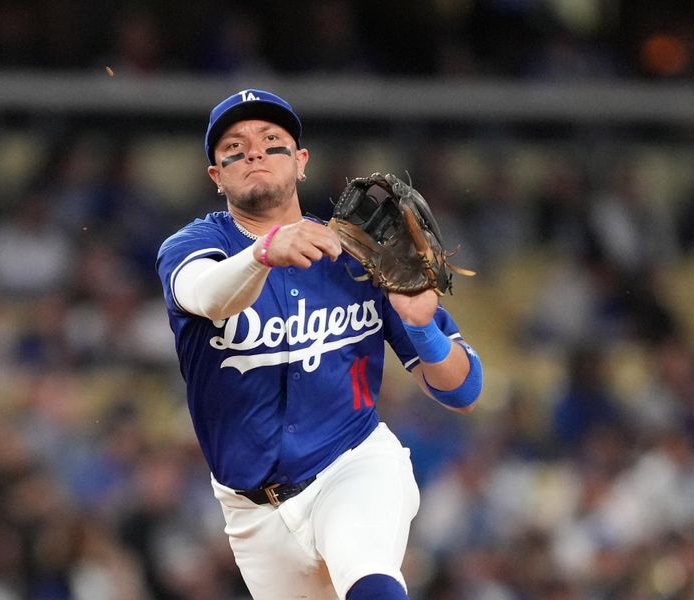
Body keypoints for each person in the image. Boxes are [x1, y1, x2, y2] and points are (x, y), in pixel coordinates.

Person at [155, 88, 483, 600]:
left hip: (353, 463)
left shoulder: (358, 254)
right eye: (234, 148)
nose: (255, 152)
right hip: (251, 513)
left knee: (370, 576)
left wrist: (422, 328)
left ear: (302, 162)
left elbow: (462, 391)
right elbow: (206, 294)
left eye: (272, 141)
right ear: (216, 177)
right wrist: (264, 252)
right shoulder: (195, 247)